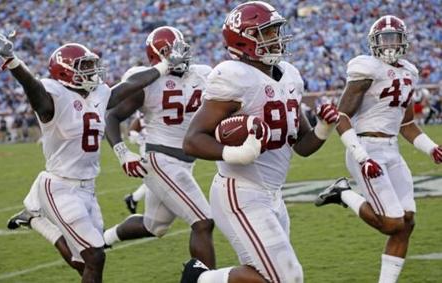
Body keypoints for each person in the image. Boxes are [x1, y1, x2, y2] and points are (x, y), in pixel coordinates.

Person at [0, 21, 186, 283]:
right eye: (85, 66)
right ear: (64, 71)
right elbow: (32, 87)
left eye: (91, 64)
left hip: (88, 188)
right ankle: (37, 215)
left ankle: (37, 221)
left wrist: (163, 66)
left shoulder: (98, 93)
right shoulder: (51, 97)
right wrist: (13, 61)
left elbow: (129, 86)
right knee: (95, 256)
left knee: (85, 262)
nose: (93, 70)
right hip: (59, 185)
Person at [181, 2, 338, 283]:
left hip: (273, 194)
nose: (276, 38)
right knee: (288, 278)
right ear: (244, 38)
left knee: (265, 276)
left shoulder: (289, 75)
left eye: (276, 31)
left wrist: (324, 128)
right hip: (240, 191)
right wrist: (236, 153)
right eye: (267, 32)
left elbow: (302, 145)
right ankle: (199, 279)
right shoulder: (233, 75)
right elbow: (192, 140)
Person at [315, 15, 442, 283]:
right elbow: (342, 117)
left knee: (406, 222)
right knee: (392, 223)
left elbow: (407, 124)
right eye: (384, 39)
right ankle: (343, 193)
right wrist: (361, 157)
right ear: (374, 42)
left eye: (394, 38)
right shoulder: (365, 68)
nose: (389, 44)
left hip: (392, 149)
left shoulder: (409, 72)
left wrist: (432, 148)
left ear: (404, 41)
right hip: (366, 147)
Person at [103, 26, 216, 269]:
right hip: (160, 160)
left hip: (186, 161)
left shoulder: (203, 74)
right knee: (203, 221)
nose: (179, 55)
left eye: (180, 48)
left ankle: (103, 239)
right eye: (169, 51)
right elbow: (111, 116)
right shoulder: (146, 80)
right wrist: (122, 153)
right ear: (156, 56)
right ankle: (205, 278)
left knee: (155, 226)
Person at [124, 110, 148, 214]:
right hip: (151, 146)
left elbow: (131, 134)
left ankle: (133, 198)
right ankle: (133, 199)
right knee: (156, 180)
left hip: (152, 145)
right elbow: (132, 133)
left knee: (156, 179)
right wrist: (142, 141)